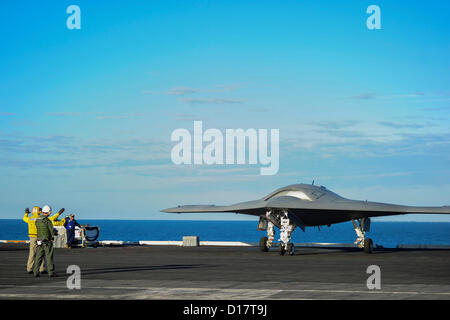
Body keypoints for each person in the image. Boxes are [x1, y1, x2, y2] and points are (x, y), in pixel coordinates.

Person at [24, 205, 64, 274]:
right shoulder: (40, 218)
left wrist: (26, 213)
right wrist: (58, 214)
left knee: (32, 253)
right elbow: (51, 218)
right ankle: (41, 269)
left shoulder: (30, 219)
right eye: (39, 210)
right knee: (41, 253)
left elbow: (24, 218)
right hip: (40, 236)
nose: (40, 211)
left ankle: (29, 268)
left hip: (32, 237)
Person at [33, 207, 57, 277]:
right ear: (48, 212)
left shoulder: (37, 220)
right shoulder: (47, 221)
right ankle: (51, 272)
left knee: (38, 257)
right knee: (49, 257)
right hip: (47, 241)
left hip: (39, 240)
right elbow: (51, 231)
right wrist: (54, 233)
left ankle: (35, 272)